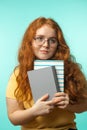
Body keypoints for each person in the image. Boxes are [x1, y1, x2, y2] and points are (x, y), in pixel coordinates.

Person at [6, 17, 87, 130]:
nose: (46, 45)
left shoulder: (72, 70)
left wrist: (69, 105)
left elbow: (84, 105)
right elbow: (13, 117)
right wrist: (34, 111)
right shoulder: (18, 74)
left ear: (58, 44)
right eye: (40, 38)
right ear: (30, 42)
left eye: (52, 40)